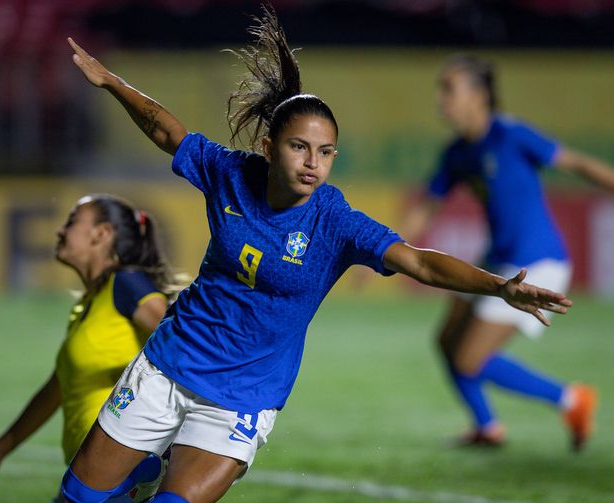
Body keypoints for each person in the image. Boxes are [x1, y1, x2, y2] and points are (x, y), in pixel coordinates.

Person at [61, 8, 571, 503]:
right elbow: (166, 131)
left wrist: (496, 286)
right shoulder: (230, 173)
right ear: (268, 147)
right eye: (299, 148)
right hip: (166, 366)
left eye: (325, 152)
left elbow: (418, 261)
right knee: (79, 496)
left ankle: (151, 475)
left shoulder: (337, 223)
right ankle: (145, 470)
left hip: (243, 398)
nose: (313, 163)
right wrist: (111, 82)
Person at [401, 54, 614, 450]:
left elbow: (577, 163)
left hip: (536, 263)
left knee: (468, 358)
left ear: (479, 96)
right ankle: (488, 427)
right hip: (496, 259)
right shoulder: (457, 152)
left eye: (449, 88)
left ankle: (572, 399)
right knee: (447, 341)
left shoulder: (511, 135)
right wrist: (384, 250)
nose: (439, 97)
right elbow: (427, 207)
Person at [0, 194, 180, 501]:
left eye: (72, 221)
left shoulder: (127, 285)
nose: (60, 230)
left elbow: (182, 343)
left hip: (122, 473)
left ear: (101, 234)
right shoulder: (90, 304)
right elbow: (56, 390)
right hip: (96, 477)